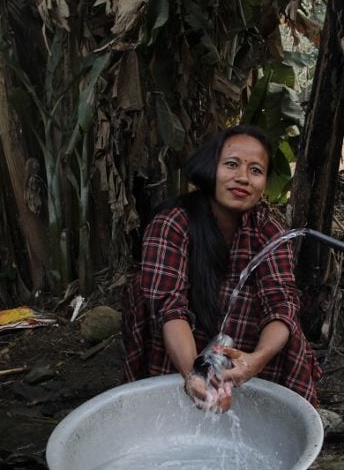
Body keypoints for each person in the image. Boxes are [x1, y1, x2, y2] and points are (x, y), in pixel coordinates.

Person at [122, 124, 321, 412]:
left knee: (285, 330)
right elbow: (170, 308)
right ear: (210, 168)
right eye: (231, 165)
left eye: (255, 170)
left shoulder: (268, 230)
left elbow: (281, 305)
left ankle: (266, 409)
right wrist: (193, 374)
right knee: (144, 292)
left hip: (241, 343)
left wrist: (255, 360)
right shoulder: (173, 223)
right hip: (179, 339)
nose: (242, 178)